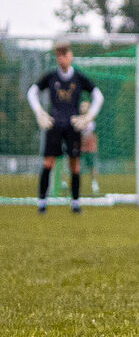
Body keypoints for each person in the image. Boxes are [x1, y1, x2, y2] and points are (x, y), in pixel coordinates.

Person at [26, 41, 102, 214]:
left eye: (65, 54)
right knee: (48, 162)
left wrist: (88, 117)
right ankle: (42, 202)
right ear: (56, 58)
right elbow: (32, 92)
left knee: (74, 165)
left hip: (73, 126)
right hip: (54, 125)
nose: (62, 58)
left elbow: (98, 95)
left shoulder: (79, 78)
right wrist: (39, 112)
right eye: (59, 55)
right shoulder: (51, 77)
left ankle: (75, 203)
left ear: (70, 56)